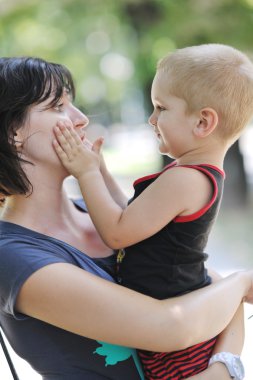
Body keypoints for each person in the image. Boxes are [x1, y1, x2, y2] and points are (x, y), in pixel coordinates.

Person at [0, 56, 251, 380]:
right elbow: (172, 324)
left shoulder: (102, 213)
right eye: (58, 107)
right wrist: (243, 282)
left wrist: (225, 366)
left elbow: (210, 289)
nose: (81, 120)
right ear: (12, 134)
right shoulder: (11, 255)